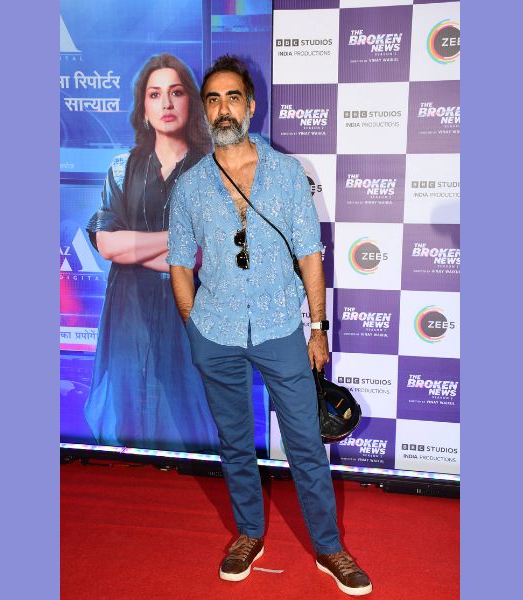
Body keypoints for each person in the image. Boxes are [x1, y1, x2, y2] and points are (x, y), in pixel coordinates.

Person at [167, 55, 372, 596]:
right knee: (234, 442)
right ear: (205, 111)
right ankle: (249, 534)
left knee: (305, 442)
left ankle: (329, 546)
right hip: (216, 332)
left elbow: (309, 255)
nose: (223, 108)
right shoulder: (190, 187)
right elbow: (180, 262)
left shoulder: (285, 173)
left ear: (251, 106)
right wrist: (194, 326)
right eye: (213, 99)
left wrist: (318, 328)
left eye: (232, 97)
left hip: (281, 327)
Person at [84, 53, 219, 454]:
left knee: (189, 419)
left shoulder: (212, 170)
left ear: (190, 101)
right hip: (129, 311)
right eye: (155, 94)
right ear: (143, 107)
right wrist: (175, 238)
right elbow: (107, 244)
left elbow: (201, 256)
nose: (166, 103)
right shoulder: (121, 167)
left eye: (176, 92)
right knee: (127, 413)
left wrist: (133, 247)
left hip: (189, 310)